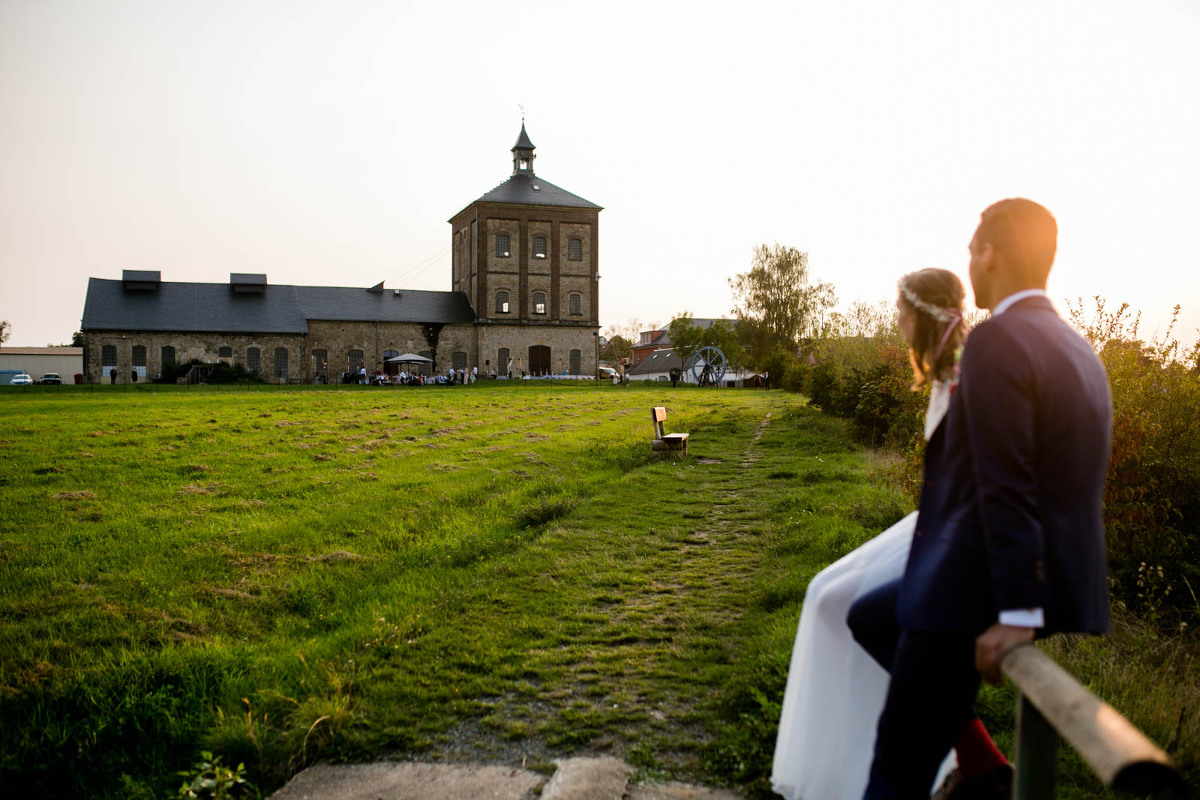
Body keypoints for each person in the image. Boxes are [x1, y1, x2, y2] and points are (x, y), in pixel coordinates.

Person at [847, 199, 1112, 800]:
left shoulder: (996, 341)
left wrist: (1018, 614)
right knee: (870, 613)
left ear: (991, 252)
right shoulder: (1077, 346)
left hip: (971, 594)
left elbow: (1007, 486)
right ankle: (980, 759)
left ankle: (982, 769)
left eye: (972, 249)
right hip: (1054, 584)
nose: (969, 262)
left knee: (895, 771)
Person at [773, 267, 990, 800]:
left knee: (848, 607)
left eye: (900, 312)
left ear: (920, 314)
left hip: (956, 534)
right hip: (939, 522)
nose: (896, 322)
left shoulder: (970, 376)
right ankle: (965, 747)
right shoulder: (946, 374)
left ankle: (954, 749)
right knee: (828, 595)